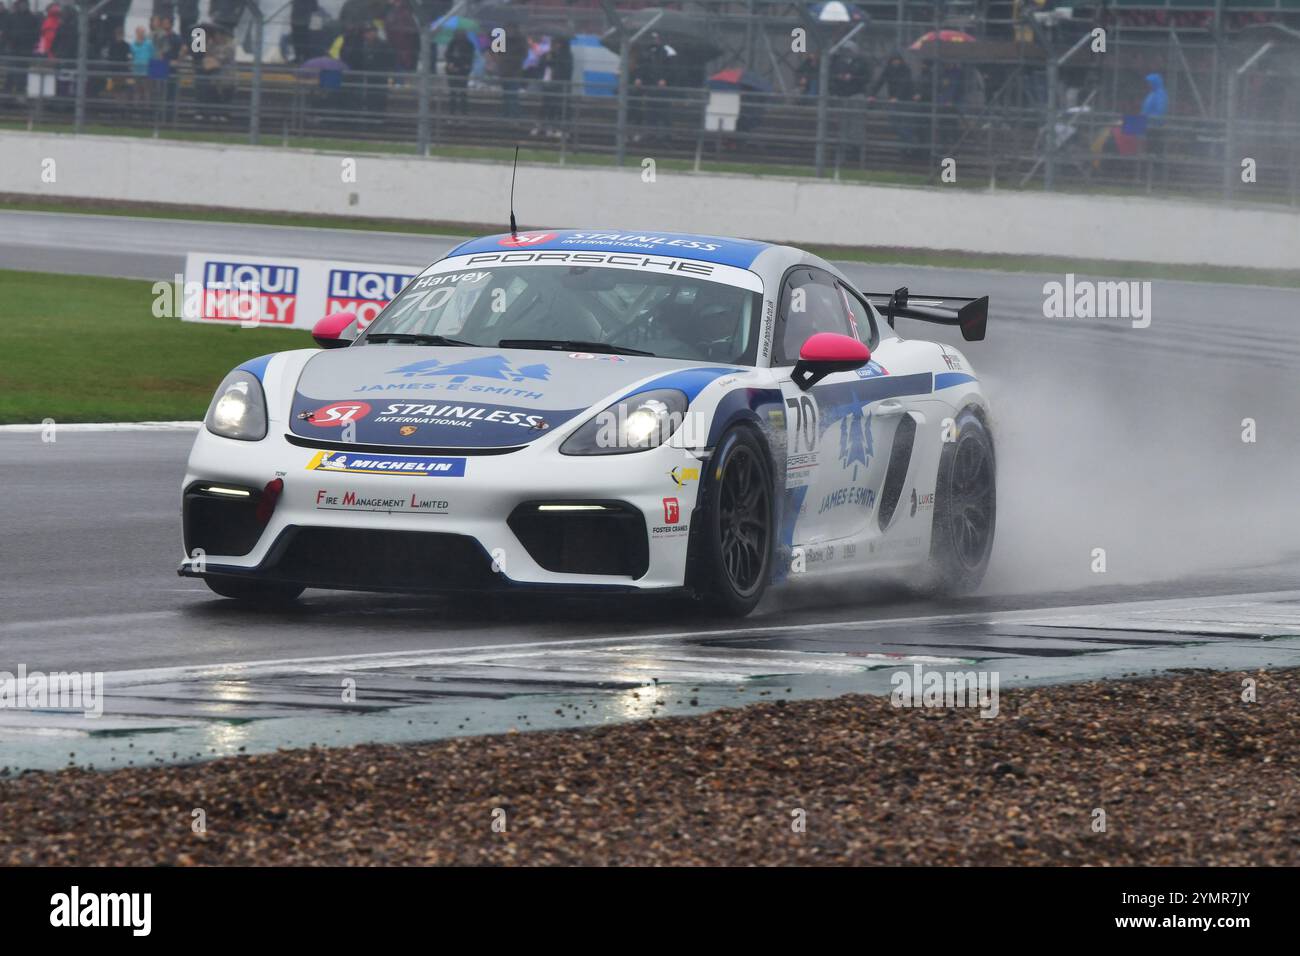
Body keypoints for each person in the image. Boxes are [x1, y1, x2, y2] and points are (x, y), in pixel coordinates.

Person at [536, 34, 571, 137]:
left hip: (559, 85)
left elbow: (565, 70)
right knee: (547, 105)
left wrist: (552, 61)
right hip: (548, 84)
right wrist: (547, 59)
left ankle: (559, 128)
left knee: (559, 107)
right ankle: (546, 127)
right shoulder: (548, 54)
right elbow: (541, 65)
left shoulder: (566, 56)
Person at [3, 0, 38, 93]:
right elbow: (6, 32)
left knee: (22, 74)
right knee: (10, 73)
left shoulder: (32, 18)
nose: (23, 6)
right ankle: (7, 93)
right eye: (21, 4)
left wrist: (30, 44)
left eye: (25, 4)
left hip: (25, 51)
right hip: (13, 50)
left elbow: (35, 34)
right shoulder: (11, 17)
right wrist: (9, 41)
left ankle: (20, 93)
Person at [491, 22, 524, 118]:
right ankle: (506, 114)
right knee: (506, 95)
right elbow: (496, 52)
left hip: (514, 72)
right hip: (504, 72)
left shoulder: (520, 41)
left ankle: (514, 115)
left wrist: (511, 60)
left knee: (513, 96)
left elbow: (523, 55)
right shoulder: (502, 39)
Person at [444, 25, 473, 115]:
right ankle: (452, 112)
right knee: (453, 93)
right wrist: (450, 63)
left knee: (463, 94)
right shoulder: (452, 43)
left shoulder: (469, 45)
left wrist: (463, 66)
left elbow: (469, 58)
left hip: (463, 72)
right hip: (452, 71)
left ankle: (464, 113)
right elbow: (447, 55)